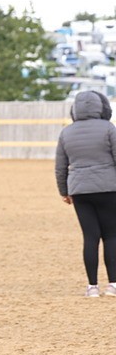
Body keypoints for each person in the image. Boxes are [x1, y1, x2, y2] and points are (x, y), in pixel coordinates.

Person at [55, 90, 116, 297]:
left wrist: (64, 191)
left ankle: (92, 287)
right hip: (108, 188)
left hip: (80, 190)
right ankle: (113, 285)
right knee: (111, 236)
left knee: (90, 237)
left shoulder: (66, 132)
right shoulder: (109, 128)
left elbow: (61, 166)